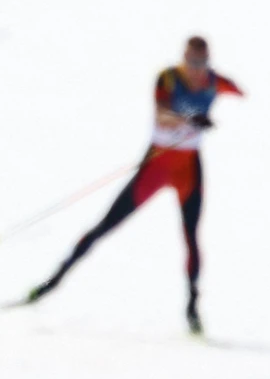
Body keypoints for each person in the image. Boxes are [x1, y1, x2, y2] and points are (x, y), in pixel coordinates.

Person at [21, 36, 241, 335]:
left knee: (191, 237)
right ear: (183, 59)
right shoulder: (168, 78)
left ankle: (192, 310)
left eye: (200, 63)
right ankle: (51, 282)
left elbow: (242, 92)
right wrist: (192, 118)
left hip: (189, 170)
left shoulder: (215, 82)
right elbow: (162, 115)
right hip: (156, 166)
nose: (195, 69)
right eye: (191, 62)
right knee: (105, 225)